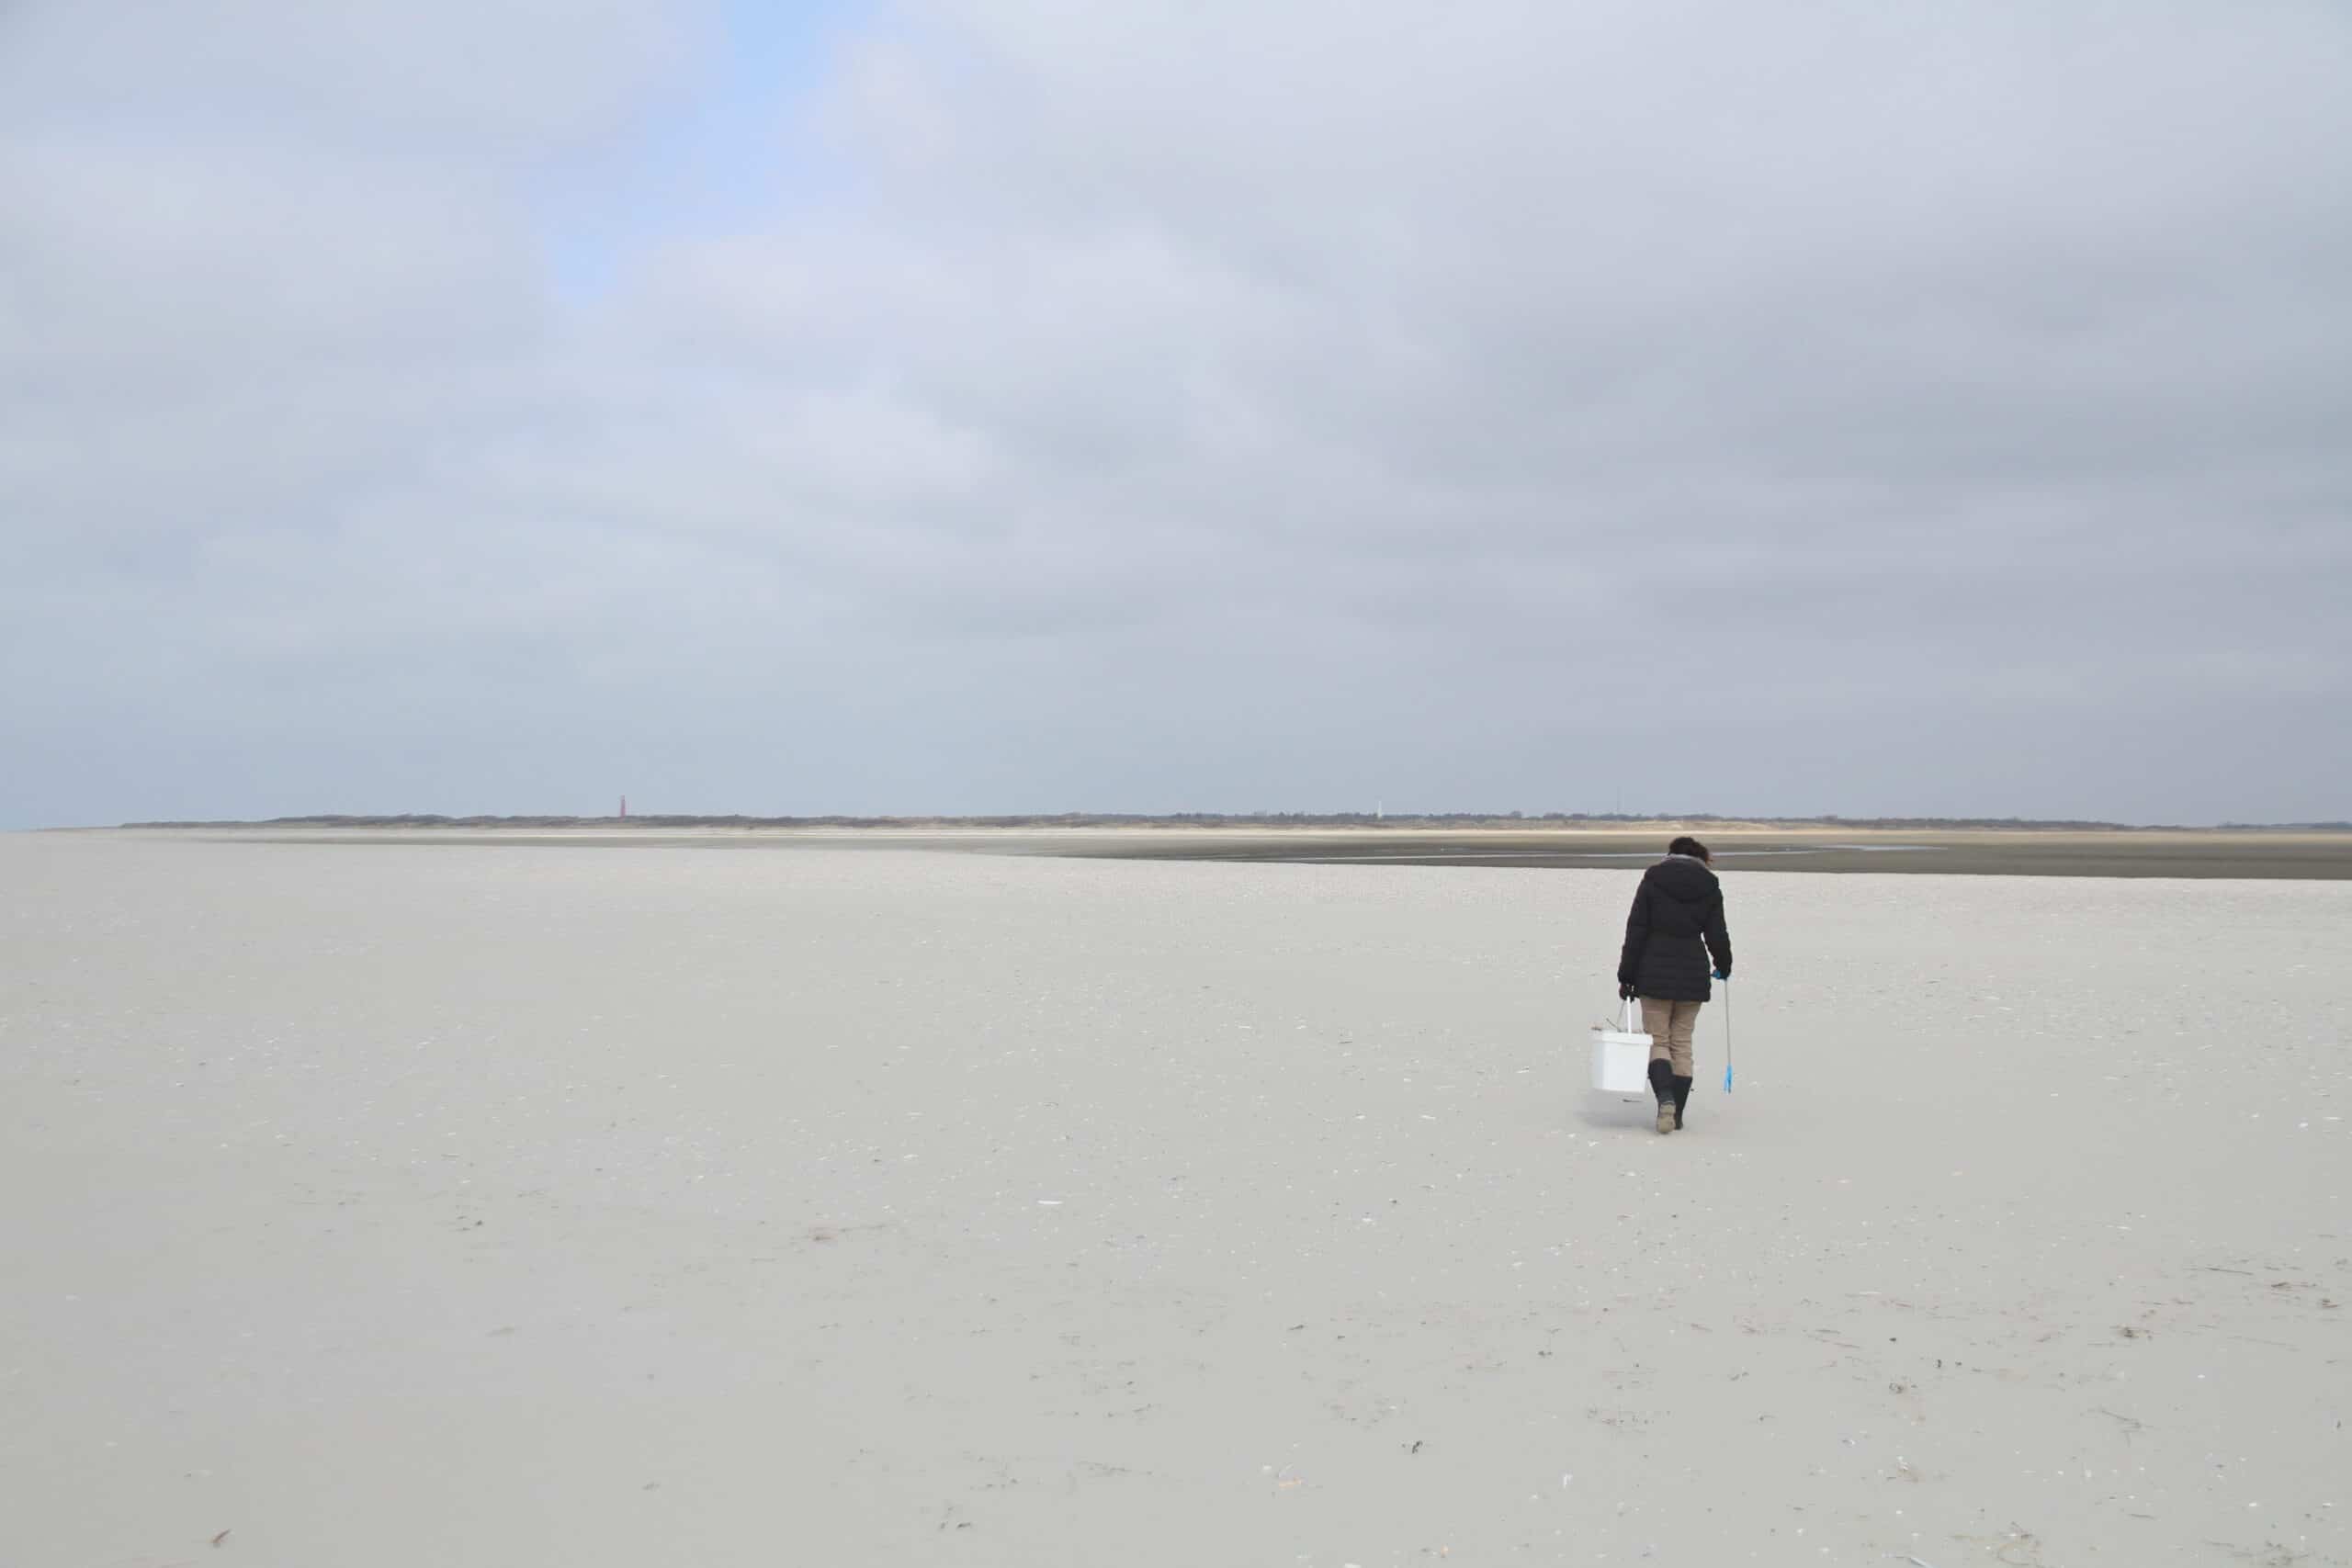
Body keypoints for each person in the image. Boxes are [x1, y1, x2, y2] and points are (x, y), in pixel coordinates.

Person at [1617, 836, 1733, 1134]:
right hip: (1692, 974)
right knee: (1682, 1044)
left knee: (1658, 1042)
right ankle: (1676, 1114)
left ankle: (1665, 1099)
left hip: (1653, 973)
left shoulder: (1653, 879)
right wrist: (1724, 965)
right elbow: (1717, 933)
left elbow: (1636, 929)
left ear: (1670, 854)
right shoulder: (1709, 885)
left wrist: (1626, 975)